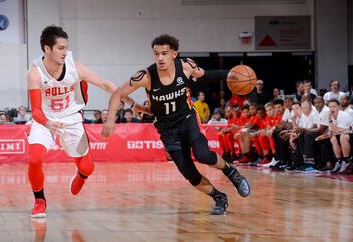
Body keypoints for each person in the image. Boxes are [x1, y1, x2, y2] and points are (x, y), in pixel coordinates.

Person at [102, 34, 250, 215]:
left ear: (174, 54)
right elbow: (118, 93)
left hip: (187, 119)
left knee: (203, 154)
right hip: (167, 128)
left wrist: (231, 75)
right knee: (189, 174)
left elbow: (206, 76)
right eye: (156, 54)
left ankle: (231, 173)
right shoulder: (146, 76)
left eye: (164, 53)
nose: (160, 58)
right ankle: (219, 197)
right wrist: (110, 119)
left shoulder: (186, 66)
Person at [27, 25, 146, 218]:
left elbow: (105, 84)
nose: (65, 52)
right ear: (47, 49)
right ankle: (40, 200)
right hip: (45, 119)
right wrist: (47, 123)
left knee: (87, 168)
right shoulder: (35, 72)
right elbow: (36, 110)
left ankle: (81, 175)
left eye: (66, 47)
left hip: (72, 118)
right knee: (34, 159)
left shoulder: (75, 66)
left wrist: (132, 104)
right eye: (60, 48)